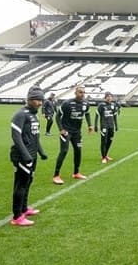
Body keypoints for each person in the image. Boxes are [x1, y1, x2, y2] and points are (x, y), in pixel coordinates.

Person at [9, 86, 48, 226]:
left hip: (32, 155)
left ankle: (24, 208)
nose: (40, 103)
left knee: (28, 182)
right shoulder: (21, 114)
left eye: (41, 100)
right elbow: (16, 136)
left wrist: (41, 152)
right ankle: (17, 216)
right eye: (37, 100)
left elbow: (35, 137)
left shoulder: (34, 115)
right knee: (20, 184)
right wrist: (25, 154)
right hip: (21, 156)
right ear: (29, 99)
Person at [52, 85, 93, 184]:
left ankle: (76, 173)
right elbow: (57, 116)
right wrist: (61, 129)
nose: (82, 94)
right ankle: (56, 175)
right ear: (75, 93)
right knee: (64, 151)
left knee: (78, 151)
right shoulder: (67, 103)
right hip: (66, 131)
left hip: (77, 132)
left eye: (83, 92)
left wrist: (90, 125)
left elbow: (87, 113)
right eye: (80, 92)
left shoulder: (86, 104)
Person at [95, 91, 119, 164]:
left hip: (111, 126)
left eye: (110, 96)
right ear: (105, 98)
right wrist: (95, 125)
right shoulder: (101, 105)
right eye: (107, 96)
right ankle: (103, 157)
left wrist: (116, 125)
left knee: (110, 140)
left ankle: (106, 154)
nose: (109, 98)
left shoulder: (113, 105)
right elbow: (97, 115)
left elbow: (115, 116)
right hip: (104, 125)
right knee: (104, 141)